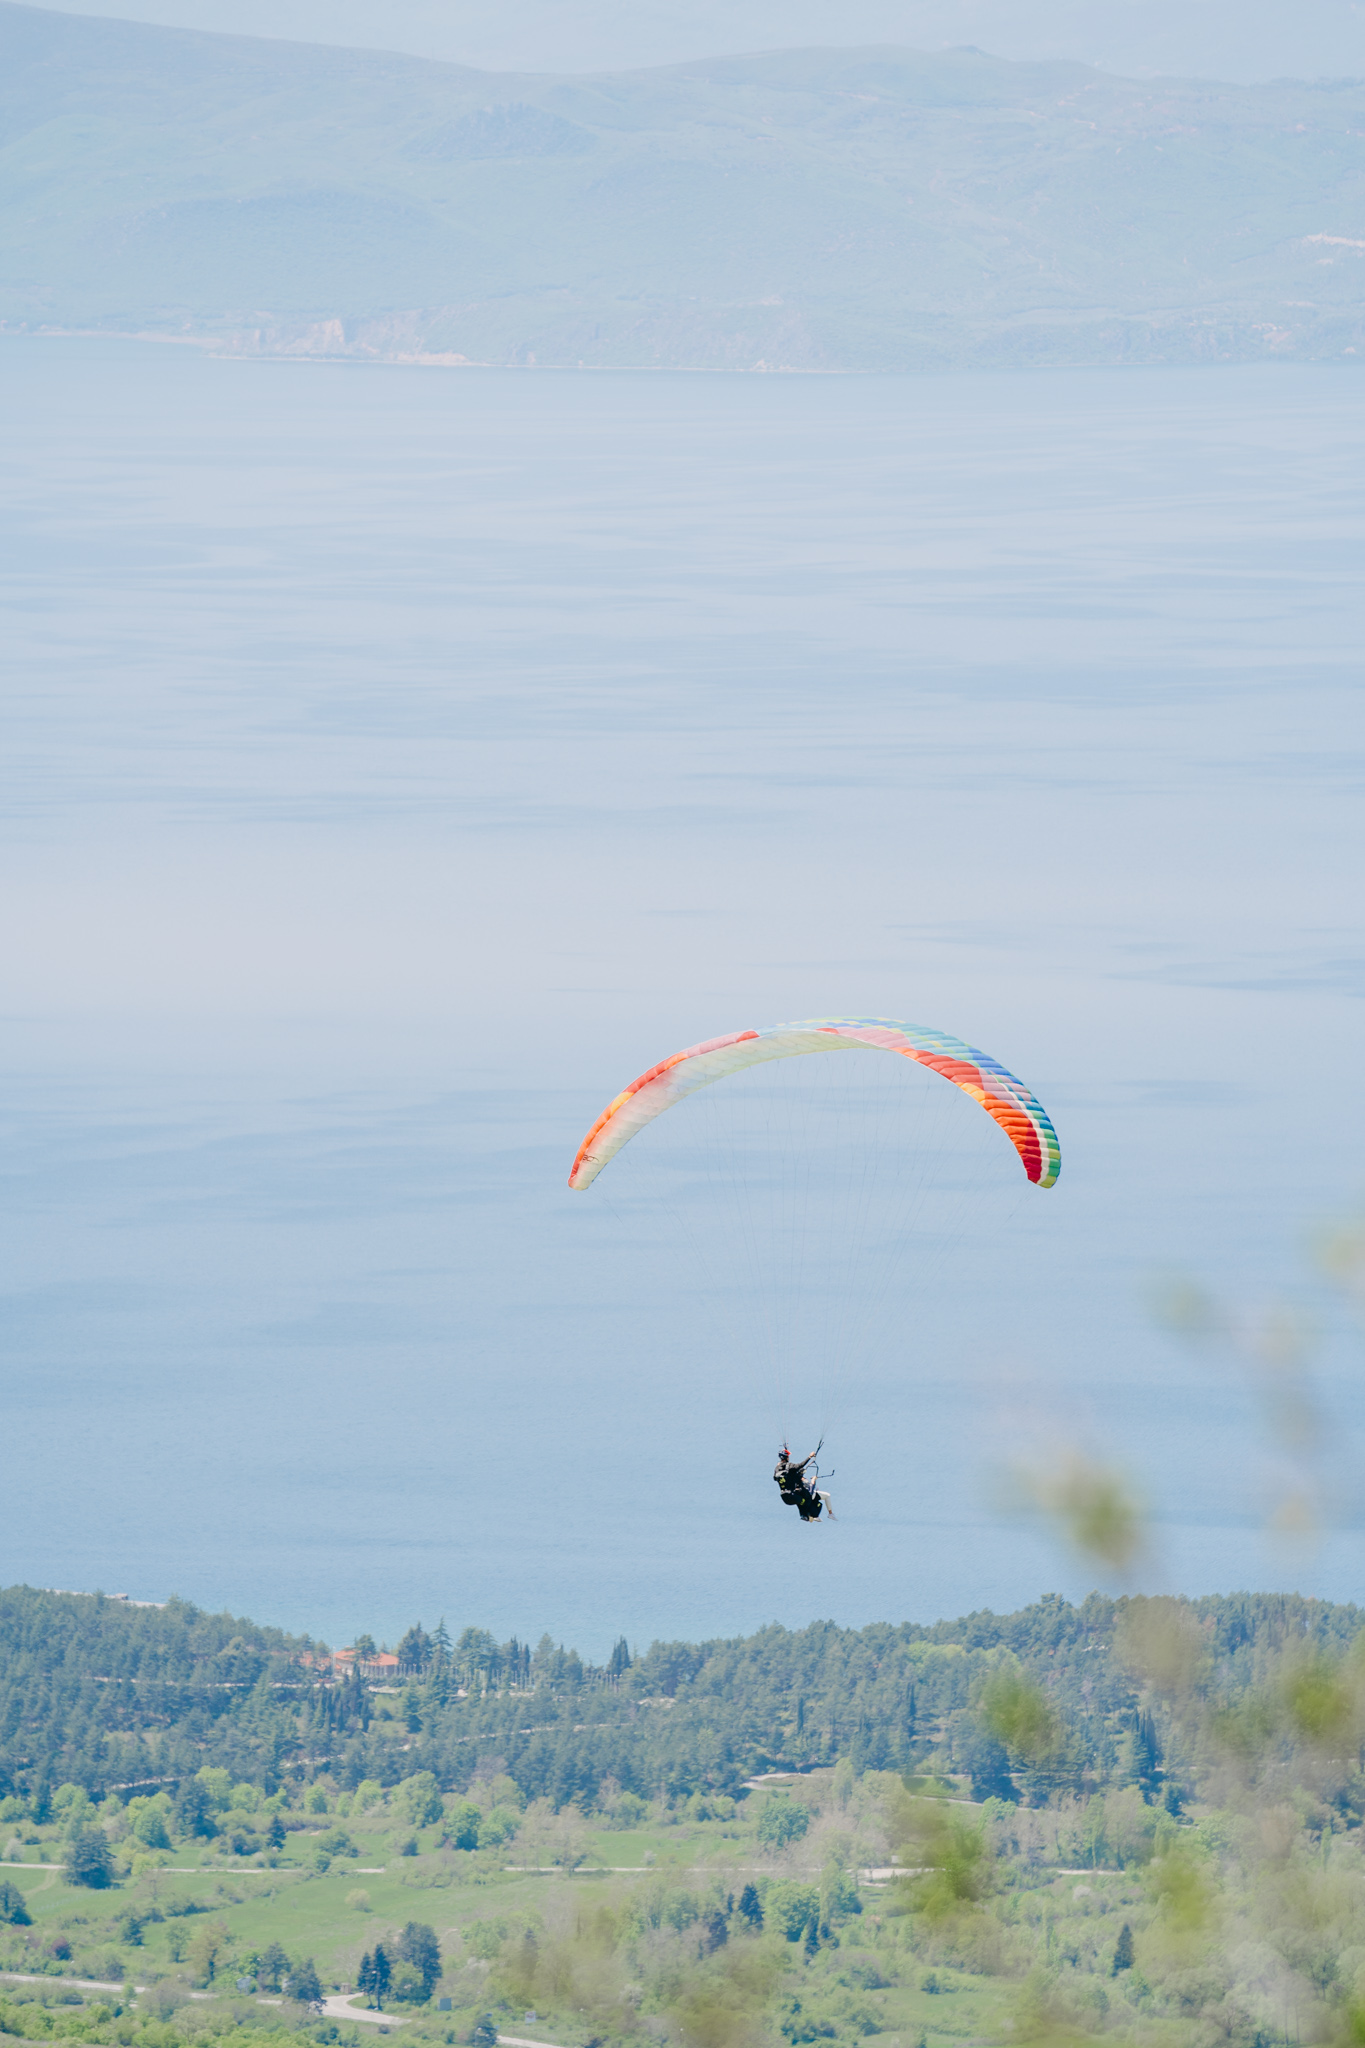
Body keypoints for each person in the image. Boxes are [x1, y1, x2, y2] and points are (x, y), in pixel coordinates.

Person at [773, 1444, 834, 1521]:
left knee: (801, 1500)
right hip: (792, 1496)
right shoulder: (790, 1466)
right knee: (806, 1498)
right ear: (786, 1457)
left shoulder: (777, 1468)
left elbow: (775, 1478)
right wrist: (810, 1456)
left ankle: (806, 1516)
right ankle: (805, 1515)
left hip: (784, 1498)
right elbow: (801, 1465)